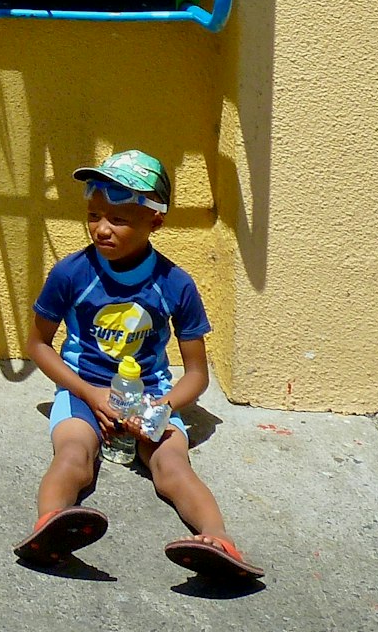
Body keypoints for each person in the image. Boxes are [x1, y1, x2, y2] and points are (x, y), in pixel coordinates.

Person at [15, 150, 264, 581]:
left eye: (119, 219)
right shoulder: (71, 273)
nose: (102, 228)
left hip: (151, 396)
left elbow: (197, 375)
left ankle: (218, 541)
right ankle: (50, 525)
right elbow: (38, 344)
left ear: (156, 222)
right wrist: (89, 394)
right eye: (94, 215)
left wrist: (161, 409)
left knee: (173, 466)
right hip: (84, 390)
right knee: (74, 452)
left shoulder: (175, 284)